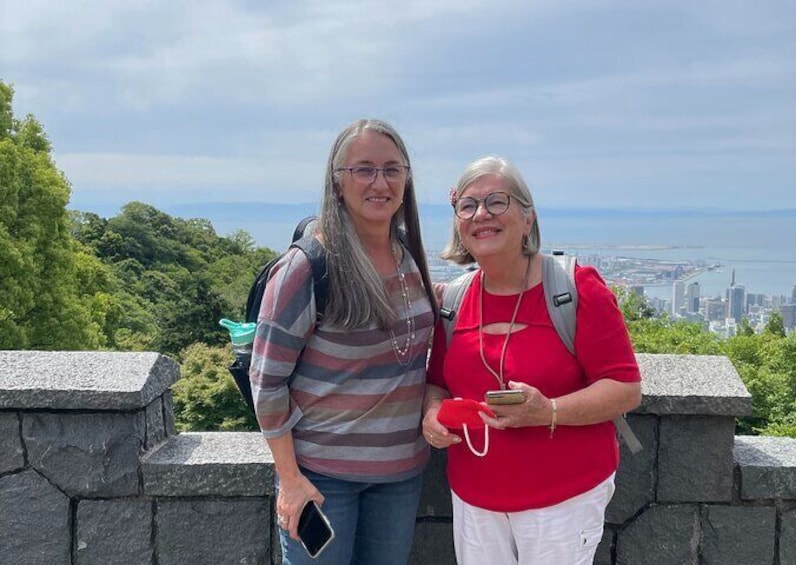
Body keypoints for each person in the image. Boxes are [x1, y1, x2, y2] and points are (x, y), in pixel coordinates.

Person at [422, 156, 642, 565]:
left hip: (563, 501)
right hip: (475, 499)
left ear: (528, 218)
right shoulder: (454, 300)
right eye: (467, 206)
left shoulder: (574, 289)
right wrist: (432, 414)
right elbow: (437, 382)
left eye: (497, 201)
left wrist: (548, 411)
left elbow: (625, 389)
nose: (481, 214)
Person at [250, 118, 439, 564]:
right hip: (323, 476)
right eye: (364, 169)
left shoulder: (408, 256)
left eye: (392, 169)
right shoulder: (308, 267)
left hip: (400, 476)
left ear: (407, 179)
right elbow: (266, 381)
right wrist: (290, 479)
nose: (380, 182)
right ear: (337, 183)